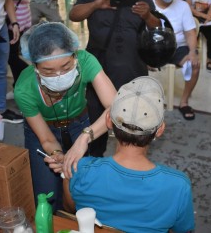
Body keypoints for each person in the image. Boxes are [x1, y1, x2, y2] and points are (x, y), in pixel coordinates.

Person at [62, 76, 195, 232]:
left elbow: (70, 210)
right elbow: (183, 230)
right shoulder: (179, 186)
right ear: (160, 130)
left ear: (109, 121)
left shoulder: (79, 169)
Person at [14, 22, 116, 211]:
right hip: (42, 131)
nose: (59, 75)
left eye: (66, 66)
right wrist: (56, 154)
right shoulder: (24, 88)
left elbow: (115, 107)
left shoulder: (86, 61)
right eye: (48, 71)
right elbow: (45, 138)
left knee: (79, 186)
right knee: (46, 196)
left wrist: (84, 138)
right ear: (34, 65)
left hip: (80, 125)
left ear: (75, 56)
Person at [68, 0, 160, 157]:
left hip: (133, 68)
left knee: (133, 123)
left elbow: (157, 26)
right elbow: (74, 15)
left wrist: (147, 15)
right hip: (99, 71)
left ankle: (130, 160)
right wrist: (95, 5)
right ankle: (94, 158)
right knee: (95, 118)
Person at [153, 0, 199, 120]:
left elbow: (190, 32)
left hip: (177, 48)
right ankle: (145, 100)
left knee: (194, 64)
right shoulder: (149, 5)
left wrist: (192, 52)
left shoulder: (183, 6)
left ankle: (184, 102)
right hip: (155, 49)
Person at [183, 0, 211, 73]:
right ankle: (191, 58)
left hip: (206, 20)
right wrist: (202, 16)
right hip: (193, 17)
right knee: (193, 35)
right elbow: (188, 7)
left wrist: (209, 17)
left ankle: (209, 60)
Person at [6, 0, 32, 100]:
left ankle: (30, 78)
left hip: (17, 18)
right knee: (11, 55)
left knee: (10, 55)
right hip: (7, 18)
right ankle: (18, 86)